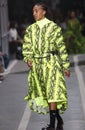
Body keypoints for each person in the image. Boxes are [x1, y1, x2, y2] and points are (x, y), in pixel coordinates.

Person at [22, 2, 70, 130]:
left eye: (36, 10)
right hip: (37, 66)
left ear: (44, 12)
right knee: (47, 95)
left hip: (51, 63)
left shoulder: (53, 27)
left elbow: (61, 47)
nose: (34, 13)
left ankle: (52, 126)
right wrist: (28, 59)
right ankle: (58, 120)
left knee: (52, 92)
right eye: (33, 11)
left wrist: (65, 66)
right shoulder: (31, 29)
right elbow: (27, 47)